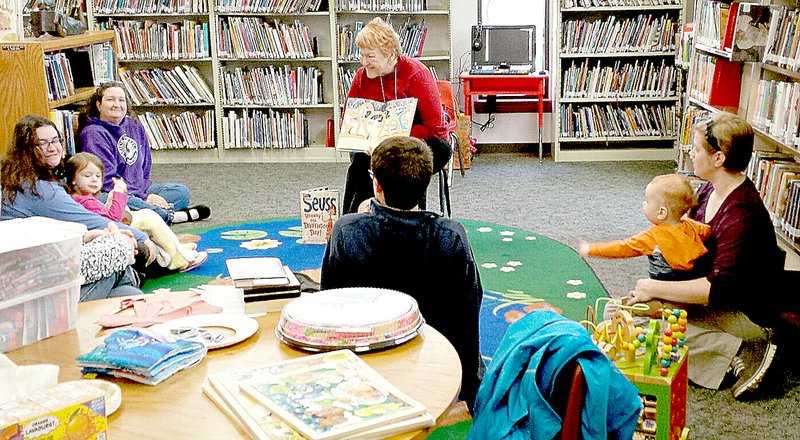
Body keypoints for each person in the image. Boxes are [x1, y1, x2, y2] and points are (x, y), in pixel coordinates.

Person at [625, 112, 785, 400]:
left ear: (718, 159)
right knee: (625, 313)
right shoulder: (711, 189)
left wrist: (656, 287)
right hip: (710, 298)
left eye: (697, 149)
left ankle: (744, 350)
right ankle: (723, 352)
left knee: (648, 328)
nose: (691, 153)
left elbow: (716, 290)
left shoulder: (741, 215)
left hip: (738, 314)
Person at [320, 136, 483, 410]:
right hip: (437, 363)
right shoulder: (451, 235)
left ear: (376, 184)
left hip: (368, 365)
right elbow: (468, 310)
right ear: (426, 183)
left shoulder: (347, 231)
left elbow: (329, 304)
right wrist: (468, 383)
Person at [1, 114, 148, 301]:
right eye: (43, 144)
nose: (53, 148)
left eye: (55, 140)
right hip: (35, 281)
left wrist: (89, 236)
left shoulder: (19, 176)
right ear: (27, 150)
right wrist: (142, 239)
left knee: (129, 294)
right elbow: (91, 220)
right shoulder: (40, 190)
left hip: (40, 264)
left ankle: (131, 278)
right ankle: (132, 275)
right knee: (119, 261)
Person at [341, 17, 451, 214]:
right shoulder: (361, 76)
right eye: (362, 55)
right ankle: (353, 224)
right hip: (377, 142)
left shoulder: (416, 74)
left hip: (424, 140)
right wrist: (365, 140)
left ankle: (411, 225)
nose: (363, 62)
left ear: (390, 54)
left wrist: (392, 139)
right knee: (360, 166)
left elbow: (436, 128)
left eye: (370, 56)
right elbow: (349, 119)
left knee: (406, 167)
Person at [77, 81, 210, 224]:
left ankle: (142, 215)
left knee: (181, 192)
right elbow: (107, 181)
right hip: (112, 191)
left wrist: (145, 194)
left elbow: (145, 166)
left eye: (121, 100)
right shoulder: (93, 133)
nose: (117, 105)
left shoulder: (134, 126)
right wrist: (144, 198)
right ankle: (170, 216)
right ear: (98, 104)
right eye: (110, 100)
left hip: (139, 189)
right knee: (107, 201)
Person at [66, 152, 208, 273]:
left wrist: (111, 200)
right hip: (109, 231)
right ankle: (180, 260)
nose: (94, 180)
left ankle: (177, 248)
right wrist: (120, 193)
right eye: (87, 176)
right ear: (73, 180)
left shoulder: (85, 198)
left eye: (98, 176)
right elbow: (113, 218)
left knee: (148, 215)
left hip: (110, 227)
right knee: (149, 219)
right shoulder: (84, 201)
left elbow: (104, 213)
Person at [579, 173, 711, 282]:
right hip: (688, 286)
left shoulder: (653, 237)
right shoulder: (693, 227)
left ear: (661, 213)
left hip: (662, 290)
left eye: (647, 202)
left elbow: (622, 248)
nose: (643, 204)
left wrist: (592, 249)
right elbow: (708, 231)